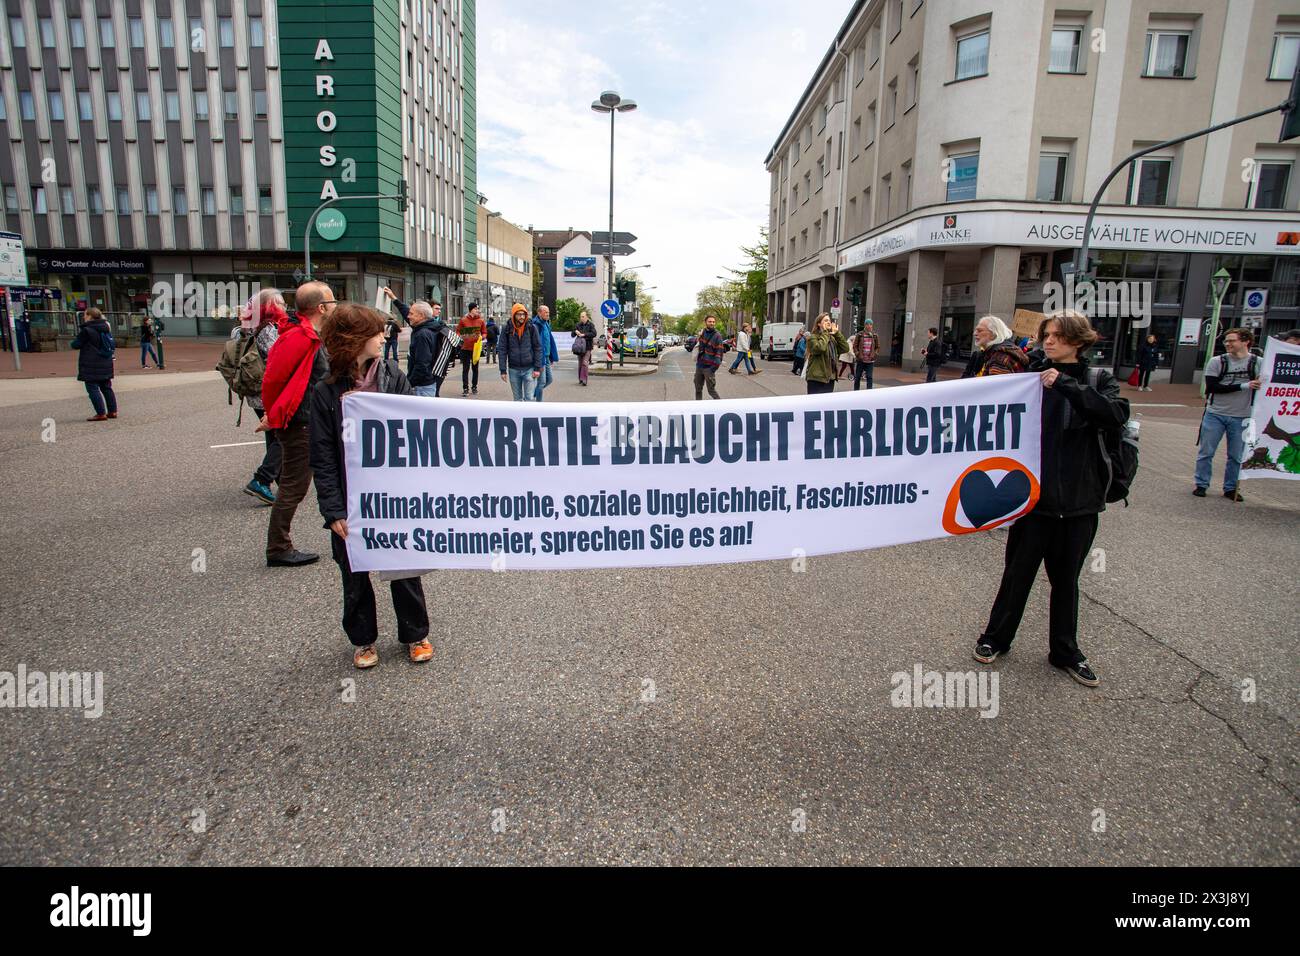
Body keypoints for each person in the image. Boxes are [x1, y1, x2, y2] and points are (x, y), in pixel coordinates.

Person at [974, 310, 1130, 688]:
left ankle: (1065, 650)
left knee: (1066, 581)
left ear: (1078, 341)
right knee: (1017, 575)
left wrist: (1065, 385)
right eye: (1046, 334)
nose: (1049, 341)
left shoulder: (1097, 380)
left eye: (1058, 336)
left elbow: (1115, 415)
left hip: (1080, 502)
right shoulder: (1028, 377)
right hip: (1034, 501)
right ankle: (996, 638)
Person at [309, 303, 433, 669]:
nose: (383, 337)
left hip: (393, 496)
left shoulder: (395, 378)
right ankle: (363, 640)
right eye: (376, 332)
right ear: (353, 340)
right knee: (354, 573)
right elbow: (322, 456)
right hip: (350, 501)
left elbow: (418, 435)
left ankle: (416, 634)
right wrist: (332, 510)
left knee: (404, 568)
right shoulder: (325, 392)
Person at [257, 280, 334, 568]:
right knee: (293, 486)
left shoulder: (304, 334)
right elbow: (276, 380)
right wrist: (276, 415)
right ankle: (278, 547)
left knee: (296, 484)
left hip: (305, 421)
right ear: (322, 307)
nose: (335, 306)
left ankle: (279, 545)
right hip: (301, 423)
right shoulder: (300, 338)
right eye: (332, 302)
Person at [1194, 327, 1261, 503]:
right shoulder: (1217, 362)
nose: (1228, 344)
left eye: (1232, 340)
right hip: (1215, 413)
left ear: (1246, 342)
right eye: (1226, 341)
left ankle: (1231, 488)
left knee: (1236, 455)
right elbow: (1212, 388)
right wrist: (1244, 386)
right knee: (1206, 451)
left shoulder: (1258, 363)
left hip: (1242, 416)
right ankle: (1201, 484)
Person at [234, 289, 285, 505]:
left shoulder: (250, 328)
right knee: (285, 437)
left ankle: (280, 477)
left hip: (256, 393)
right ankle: (261, 480)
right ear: (270, 307)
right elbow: (279, 360)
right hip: (268, 393)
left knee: (274, 436)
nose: (284, 306)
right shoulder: (268, 330)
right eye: (280, 303)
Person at [397, 298, 459, 398]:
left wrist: (409, 383)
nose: (408, 316)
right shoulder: (433, 327)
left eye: (411, 314)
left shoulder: (422, 334)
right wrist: (395, 299)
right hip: (429, 382)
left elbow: (422, 364)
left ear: (421, 316)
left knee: (420, 413)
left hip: (421, 386)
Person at [71, 307, 118, 421]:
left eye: (85, 315)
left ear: (90, 316)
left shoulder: (87, 330)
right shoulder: (106, 328)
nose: (84, 317)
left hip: (91, 363)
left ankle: (100, 413)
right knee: (106, 387)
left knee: (92, 388)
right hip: (105, 361)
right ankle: (112, 411)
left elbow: (75, 344)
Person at [498, 303, 542, 400]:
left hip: (529, 369)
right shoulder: (507, 329)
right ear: (514, 315)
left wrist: (537, 368)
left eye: (523, 314)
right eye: (519, 314)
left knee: (529, 398)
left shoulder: (531, 328)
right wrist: (503, 370)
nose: (522, 317)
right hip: (513, 369)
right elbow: (502, 349)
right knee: (517, 400)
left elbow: (537, 347)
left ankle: (530, 415)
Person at [964, 315, 1030, 378]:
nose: (974, 333)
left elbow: (994, 388)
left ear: (994, 334)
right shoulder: (997, 353)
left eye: (980, 330)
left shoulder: (999, 358)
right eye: (976, 330)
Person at [804, 313, 851, 395]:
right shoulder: (813, 337)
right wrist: (825, 332)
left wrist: (837, 334)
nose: (829, 322)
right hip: (816, 378)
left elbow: (845, 348)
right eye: (825, 320)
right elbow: (820, 348)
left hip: (829, 379)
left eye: (829, 320)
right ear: (819, 324)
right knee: (815, 405)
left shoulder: (831, 338)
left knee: (825, 406)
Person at [456, 302, 487, 395]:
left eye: (477, 309)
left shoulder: (481, 321)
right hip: (465, 348)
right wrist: (459, 336)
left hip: (476, 349)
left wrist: (483, 336)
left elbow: (485, 332)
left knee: (475, 369)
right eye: (476, 309)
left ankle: (474, 387)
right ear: (471, 310)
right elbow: (458, 331)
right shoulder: (463, 320)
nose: (477, 310)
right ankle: (465, 388)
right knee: (465, 369)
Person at [531, 305, 560, 401]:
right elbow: (537, 345)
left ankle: (531, 395)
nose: (548, 314)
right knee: (542, 382)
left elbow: (549, 341)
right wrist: (539, 361)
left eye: (548, 312)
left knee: (549, 379)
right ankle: (538, 402)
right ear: (539, 313)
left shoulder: (546, 323)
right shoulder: (536, 325)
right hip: (541, 358)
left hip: (547, 357)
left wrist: (551, 357)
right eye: (545, 312)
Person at [694, 314, 727, 399]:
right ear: (705, 322)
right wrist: (699, 336)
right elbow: (699, 346)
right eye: (710, 321)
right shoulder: (702, 332)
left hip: (709, 367)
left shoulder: (717, 336)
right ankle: (698, 408)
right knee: (698, 389)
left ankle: (720, 407)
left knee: (711, 390)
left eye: (713, 322)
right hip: (699, 365)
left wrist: (713, 369)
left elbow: (719, 354)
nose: (712, 323)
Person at [851, 319, 880, 390]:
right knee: (857, 377)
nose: (869, 326)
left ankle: (869, 393)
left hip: (870, 361)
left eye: (870, 324)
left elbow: (878, 347)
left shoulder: (875, 335)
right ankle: (856, 391)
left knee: (869, 377)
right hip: (861, 360)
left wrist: (875, 354)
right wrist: (857, 354)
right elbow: (855, 346)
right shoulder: (860, 334)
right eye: (867, 324)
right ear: (865, 325)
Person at [575, 310, 597, 386]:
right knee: (580, 364)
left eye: (583, 316)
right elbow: (572, 334)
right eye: (581, 317)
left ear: (587, 317)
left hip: (587, 347)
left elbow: (594, 334)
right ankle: (580, 379)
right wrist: (575, 332)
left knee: (584, 363)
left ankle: (584, 379)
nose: (581, 318)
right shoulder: (578, 325)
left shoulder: (591, 325)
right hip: (579, 347)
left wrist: (584, 335)